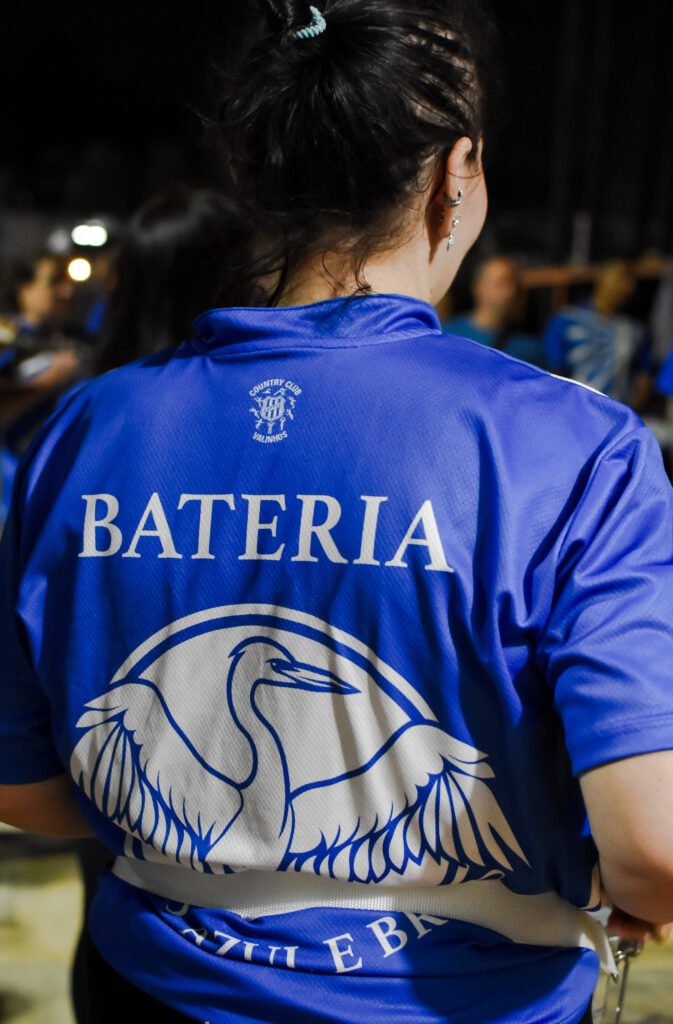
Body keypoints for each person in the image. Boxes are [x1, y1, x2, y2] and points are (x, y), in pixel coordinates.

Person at [1, 3, 673, 1024]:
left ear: (249, 175)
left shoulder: (86, 426)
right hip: (460, 1000)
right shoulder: (573, 443)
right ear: (456, 174)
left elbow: (25, 784)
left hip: (152, 985)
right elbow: (651, 849)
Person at [544, 260, 652, 409]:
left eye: (631, 281)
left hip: (618, 410)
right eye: (621, 278)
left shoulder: (634, 330)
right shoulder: (566, 321)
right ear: (602, 280)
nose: (628, 287)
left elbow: (643, 379)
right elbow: (554, 372)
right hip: (576, 408)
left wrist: (630, 413)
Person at [444, 255, 546, 367]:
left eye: (515, 285)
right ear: (479, 287)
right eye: (501, 283)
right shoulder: (448, 336)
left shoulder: (529, 348)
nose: (510, 292)